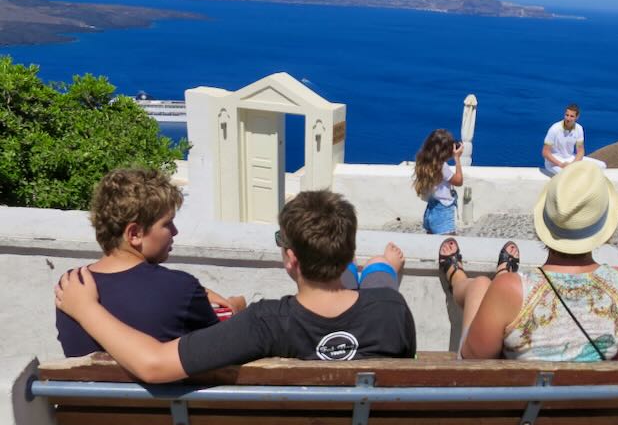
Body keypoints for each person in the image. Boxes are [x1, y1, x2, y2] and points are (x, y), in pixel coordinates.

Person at [55, 190, 416, 382]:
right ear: (347, 250)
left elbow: (152, 365)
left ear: (290, 259)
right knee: (380, 277)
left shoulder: (263, 323)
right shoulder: (391, 307)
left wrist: (86, 308)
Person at [438, 162, 618, 361]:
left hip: (524, 396)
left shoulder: (512, 289)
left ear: (546, 221)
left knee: (481, 285)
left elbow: (472, 362)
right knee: (493, 287)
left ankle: (459, 279)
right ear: (603, 228)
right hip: (594, 396)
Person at [56, 168, 245, 357]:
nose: (175, 231)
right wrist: (235, 309)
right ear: (134, 234)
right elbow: (221, 346)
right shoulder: (181, 288)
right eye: (167, 224)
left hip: (82, 386)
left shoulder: (71, 287)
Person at [413, 129, 464, 234]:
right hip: (443, 213)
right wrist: (457, 159)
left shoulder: (423, 162)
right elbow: (459, 181)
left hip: (430, 210)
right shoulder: (442, 167)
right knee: (448, 245)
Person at [542, 103, 607, 174]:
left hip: (570, 159)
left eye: (572, 116)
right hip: (554, 162)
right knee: (568, 173)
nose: (568, 118)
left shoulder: (579, 129)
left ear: (577, 117)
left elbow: (580, 151)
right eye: (567, 115)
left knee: (602, 166)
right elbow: (545, 152)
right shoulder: (555, 129)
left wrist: (573, 164)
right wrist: (560, 164)